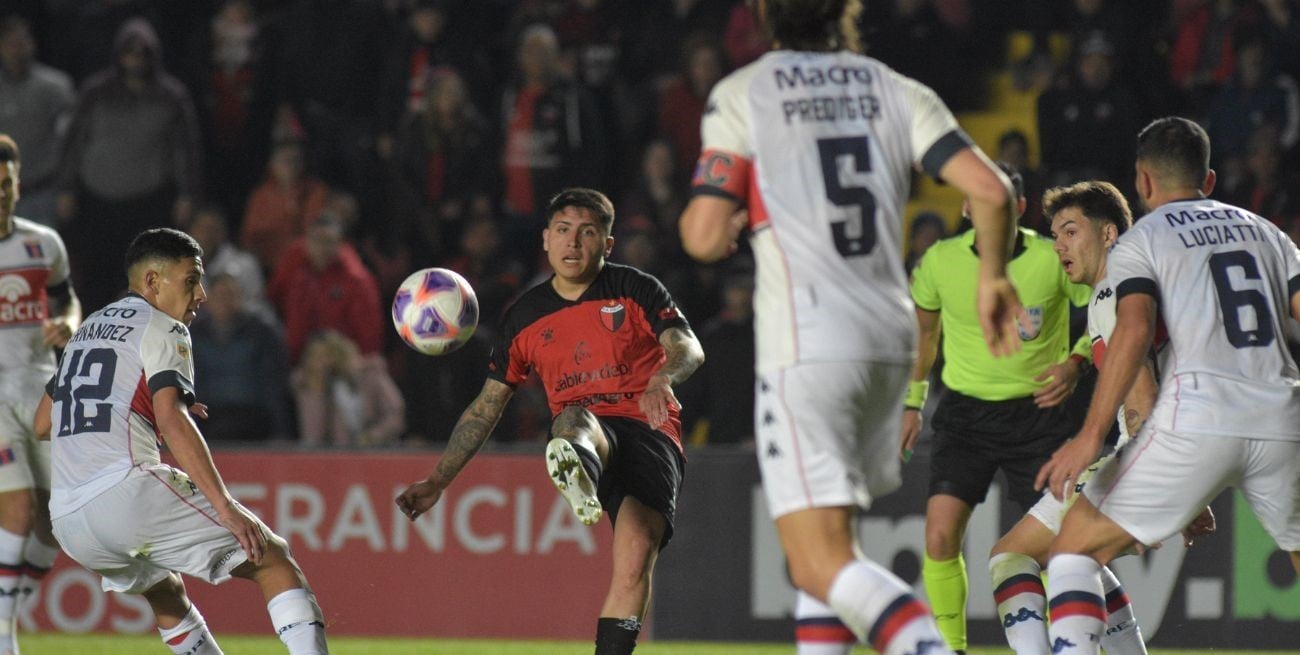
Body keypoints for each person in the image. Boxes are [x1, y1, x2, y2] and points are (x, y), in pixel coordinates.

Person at [677, 2, 1027, 655]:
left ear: (766, 13)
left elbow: (702, 234)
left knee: (818, 562)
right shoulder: (896, 89)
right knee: (831, 543)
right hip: (889, 338)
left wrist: (725, 219)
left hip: (808, 343)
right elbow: (991, 190)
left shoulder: (745, 91)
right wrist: (992, 277)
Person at [397, 188, 704, 655]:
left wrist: (663, 377)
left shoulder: (636, 288)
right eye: (562, 231)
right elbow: (486, 406)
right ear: (545, 239)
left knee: (636, 555)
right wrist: (438, 479)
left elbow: (688, 346)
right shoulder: (524, 316)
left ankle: (579, 469)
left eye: (587, 232)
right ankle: (578, 464)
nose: (573, 243)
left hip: (649, 429)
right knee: (576, 418)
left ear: (607, 244)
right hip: (587, 428)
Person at [1035, 117, 1300, 654]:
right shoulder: (1268, 233)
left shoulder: (1141, 241)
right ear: (1208, 178)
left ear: (1143, 180)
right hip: (1282, 416)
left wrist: (1089, 436)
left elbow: (1133, 331)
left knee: (1071, 554)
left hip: (1198, 419)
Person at [35, 227, 328, 655]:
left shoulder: (88, 328)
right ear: (152, 281)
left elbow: (43, 423)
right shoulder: (163, 326)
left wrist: (137, 413)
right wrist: (226, 507)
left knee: (164, 591)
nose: (201, 295)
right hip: (125, 492)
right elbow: (173, 420)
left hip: (69, 519)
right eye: (191, 280)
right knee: (272, 559)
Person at [901, 164, 1093, 655]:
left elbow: (1104, 308)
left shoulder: (1051, 259)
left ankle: (1073, 642)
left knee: (1062, 548)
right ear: (966, 207)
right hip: (965, 416)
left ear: (1020, 208)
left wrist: (1076, 363)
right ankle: (950, 649)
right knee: (939, 537)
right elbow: (925, 336)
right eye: (978, 200)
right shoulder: (939, 261)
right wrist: (912, 403)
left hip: (1038, 417)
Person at [988, 180, 1154, 655]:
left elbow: (1142, 393)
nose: (1059, 244)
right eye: (1055, 234)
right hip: (1165, 446)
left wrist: (1155, 475)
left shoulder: (1115, 291)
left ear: (1108, 233)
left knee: (1029, 557)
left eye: (1071, 231)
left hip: (1146, 451)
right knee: (1067, 556)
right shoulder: (1126, 285)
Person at [0, 134, 80, 655]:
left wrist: (68, 323)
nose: (0, 194)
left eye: (6, 184)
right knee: (19, 505)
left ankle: (5, 610)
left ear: (18, 185)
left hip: (42, 390)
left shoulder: (44, 244)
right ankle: (4, 637)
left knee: (59, 522)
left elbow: (66, 299)